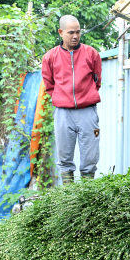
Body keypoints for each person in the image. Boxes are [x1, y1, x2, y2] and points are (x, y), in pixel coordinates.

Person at [41, 15, 102, 184]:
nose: (75, 36)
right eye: (70, 33)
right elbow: (49, 84)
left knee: (90, 157)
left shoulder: (92, 54)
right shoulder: (50, 57)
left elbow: (97, 80)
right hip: (63, 112)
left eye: (78, 32)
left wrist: (86, 96)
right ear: (61, 32)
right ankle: (69, 195)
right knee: (64, 157)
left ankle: (87, 192)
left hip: (88, 111)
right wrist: (62, 99)